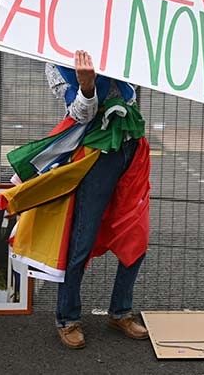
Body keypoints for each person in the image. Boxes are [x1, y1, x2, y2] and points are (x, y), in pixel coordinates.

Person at [48, 50, 149, 348]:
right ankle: (67, 318)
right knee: (82, 238)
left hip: (131, 147)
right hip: (94, 153)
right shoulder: (54, 53)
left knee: (136, 233)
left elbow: (130, 97)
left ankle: (120, 311)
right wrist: (88, 86)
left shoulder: (123, 40)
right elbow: (79, 115)